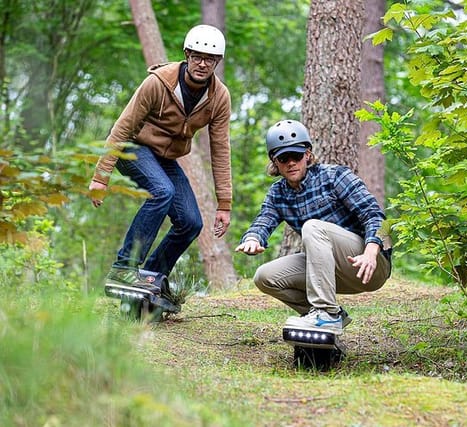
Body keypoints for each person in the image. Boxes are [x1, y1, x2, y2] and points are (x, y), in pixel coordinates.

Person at [89, 24, 232, 291]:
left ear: (218, 61)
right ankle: (124, 268)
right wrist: (101, 176)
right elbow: (122, 127)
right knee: (161, 191)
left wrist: (224, 203)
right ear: (187, 54)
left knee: (191, 223)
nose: (202, 64)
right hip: (131, 147)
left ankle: (151, 278)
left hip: (164, 159)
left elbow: (221, 149)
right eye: (197, 56)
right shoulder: (157, 83)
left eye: (210, 59)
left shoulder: (219, 97)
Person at [235, 119, 392, 335]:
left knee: (313, 227)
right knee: (264, 276)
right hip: (328, 271)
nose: (291, 163)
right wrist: (252, 238)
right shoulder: (277, 193)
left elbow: (377, 217)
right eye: (283, 158)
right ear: (275, 162)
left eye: (296, 156)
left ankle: (325, 313)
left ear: (307, 155)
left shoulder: (335, 176)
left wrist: (371, 252)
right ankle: (331, 315)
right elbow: (264, 220)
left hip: (369, 265)